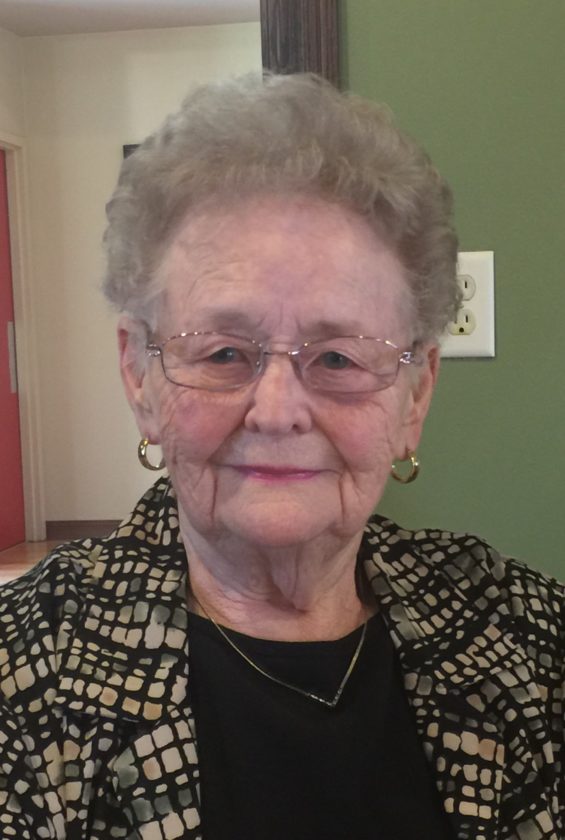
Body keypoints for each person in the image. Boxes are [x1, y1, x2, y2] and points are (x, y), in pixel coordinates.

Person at [0, 73, 562, 840]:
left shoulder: (525, 634)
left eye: (336, 358)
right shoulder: (24, 666)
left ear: (415, 394)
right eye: (223, 352)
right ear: (138, 374)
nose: (276, 410)